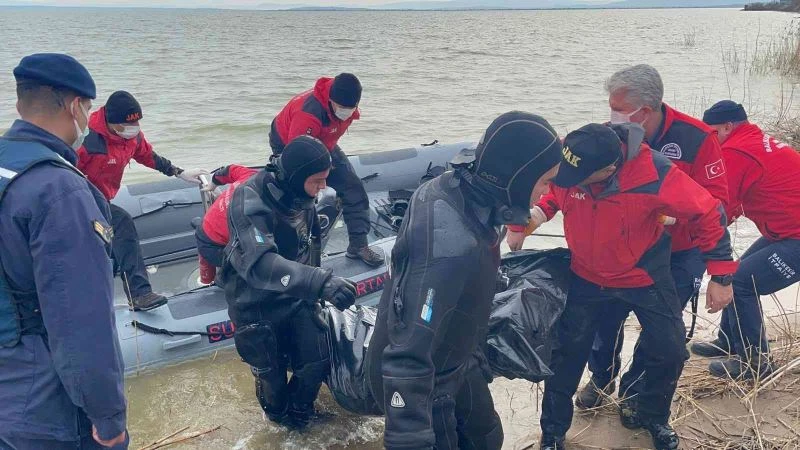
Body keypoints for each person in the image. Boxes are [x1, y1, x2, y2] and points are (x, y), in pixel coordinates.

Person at [510, 64, 731, 410]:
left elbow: (716, 205)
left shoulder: (696, 138)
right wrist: (532, 215)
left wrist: (678, 225)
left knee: (662, 339)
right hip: (615, 251)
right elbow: (567, 183)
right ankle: (602, 380)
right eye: (610, 106)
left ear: (645, 111)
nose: (611, 114)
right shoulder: (604, 143)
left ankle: (636, 395)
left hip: (679, 251)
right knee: (603, 327)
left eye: (618, 107)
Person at [531, 123, 736, 450]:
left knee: (670, 351)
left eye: (576, 178)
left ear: (609, 170)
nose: (566, 180)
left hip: (644, 276)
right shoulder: (573, 156)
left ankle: (652, 415)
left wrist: (721, 275)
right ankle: (553, 433)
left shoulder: (654, 172)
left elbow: (708, 211)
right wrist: (534, 216)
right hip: (586, 275)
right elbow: (553, 190)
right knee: (566, 354)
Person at [367, 111, 563, 450]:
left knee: (487, 437)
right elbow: (407, 348)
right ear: (518, 176)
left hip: (458, 356)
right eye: (545, 180)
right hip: (424, 379)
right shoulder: (449, 245)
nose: (549, 190)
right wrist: (408, 435)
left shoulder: (468, 191)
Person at [0, 54, 127, 449]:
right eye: (87, 108)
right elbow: (81, 321)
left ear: (20, 103)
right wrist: (108, 417)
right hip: (43, 407)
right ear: (75, 107)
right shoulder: (60, 191)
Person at [218, 135, 358, 429]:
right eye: (317, 181)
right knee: (272, 378)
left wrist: (315, 293)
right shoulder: (249, 199)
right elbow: (260, 263)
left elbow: (311, 244)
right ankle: (281, 425)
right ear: (296, 176)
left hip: (297, 294)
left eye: (325, 179)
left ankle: (302, 414)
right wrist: (320, 282)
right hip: (256, 305)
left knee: (317, 359)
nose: (323, 187)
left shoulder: (301, 195)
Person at [691, 100, 800, 379]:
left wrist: (690, 238)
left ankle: (755, 363)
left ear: (728, 127)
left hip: (795, 236)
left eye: (712, 132)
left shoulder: (735, 151)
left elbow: (720, 208)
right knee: (735, 272)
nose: (707, 140)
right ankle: (729, 341)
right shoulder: (753, 141)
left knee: (740, 282)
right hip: (785, 232)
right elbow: (735, 202)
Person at [77, 91, 208, 311]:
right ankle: (139, 294)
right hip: (80, 198)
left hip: (103, 198)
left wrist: (178, 172)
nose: (135, 127)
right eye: (129, 124)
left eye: (137, 122)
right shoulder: (87, 140)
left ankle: (124, 291)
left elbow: (148, 156)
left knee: (115, 236)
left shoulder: (132, 137)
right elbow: (64, 170)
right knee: (122, 223)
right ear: (112, 122)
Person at [269, 73, 384, 267]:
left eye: (351, 108)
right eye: (342, 107)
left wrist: (329, 163)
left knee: (353, 186)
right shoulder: (308, 114)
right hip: (290, 144)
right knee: (298, 194)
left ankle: (358, 245)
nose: (347, 112)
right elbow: (297, 153)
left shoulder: (346, 104)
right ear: (331, 100)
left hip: (324, 141)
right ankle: (291, 254)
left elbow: (333, 131)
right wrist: (314, 178)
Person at [195, 164, 258, 269]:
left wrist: (212, 185)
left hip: (205, 226)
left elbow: (227, 170)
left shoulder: (250, 174)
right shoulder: (269, 206)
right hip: (215, 246)